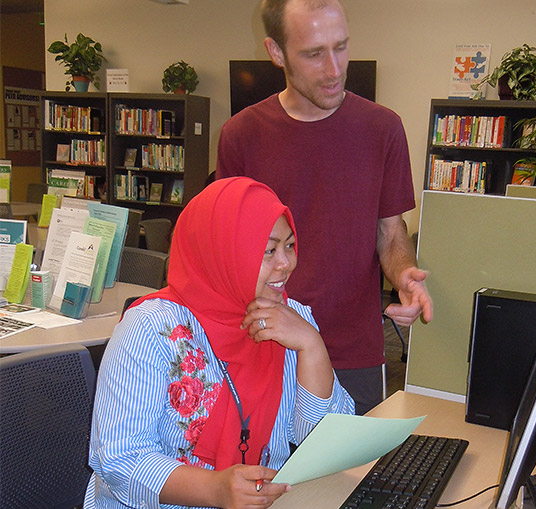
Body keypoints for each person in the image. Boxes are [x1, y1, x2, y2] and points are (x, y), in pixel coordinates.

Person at [84, 176, 354, 509]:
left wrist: (312, 346)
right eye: (268, 250)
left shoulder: (290, 318)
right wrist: (215, 489)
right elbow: (120, 460)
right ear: (224, 252)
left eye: (289, 245)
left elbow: (324, 443)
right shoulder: (152, 329)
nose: (285, 263)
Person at [216, 0, 433, 414]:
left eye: (341, 47)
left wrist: (405, 274)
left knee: (357, 477)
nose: (334, 69)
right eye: (314, 53)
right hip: (266, 346)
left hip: (355, 354)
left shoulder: (382, 129)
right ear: (277, 52)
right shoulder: (241, 135)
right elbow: (228, 250)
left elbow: (390, 231)